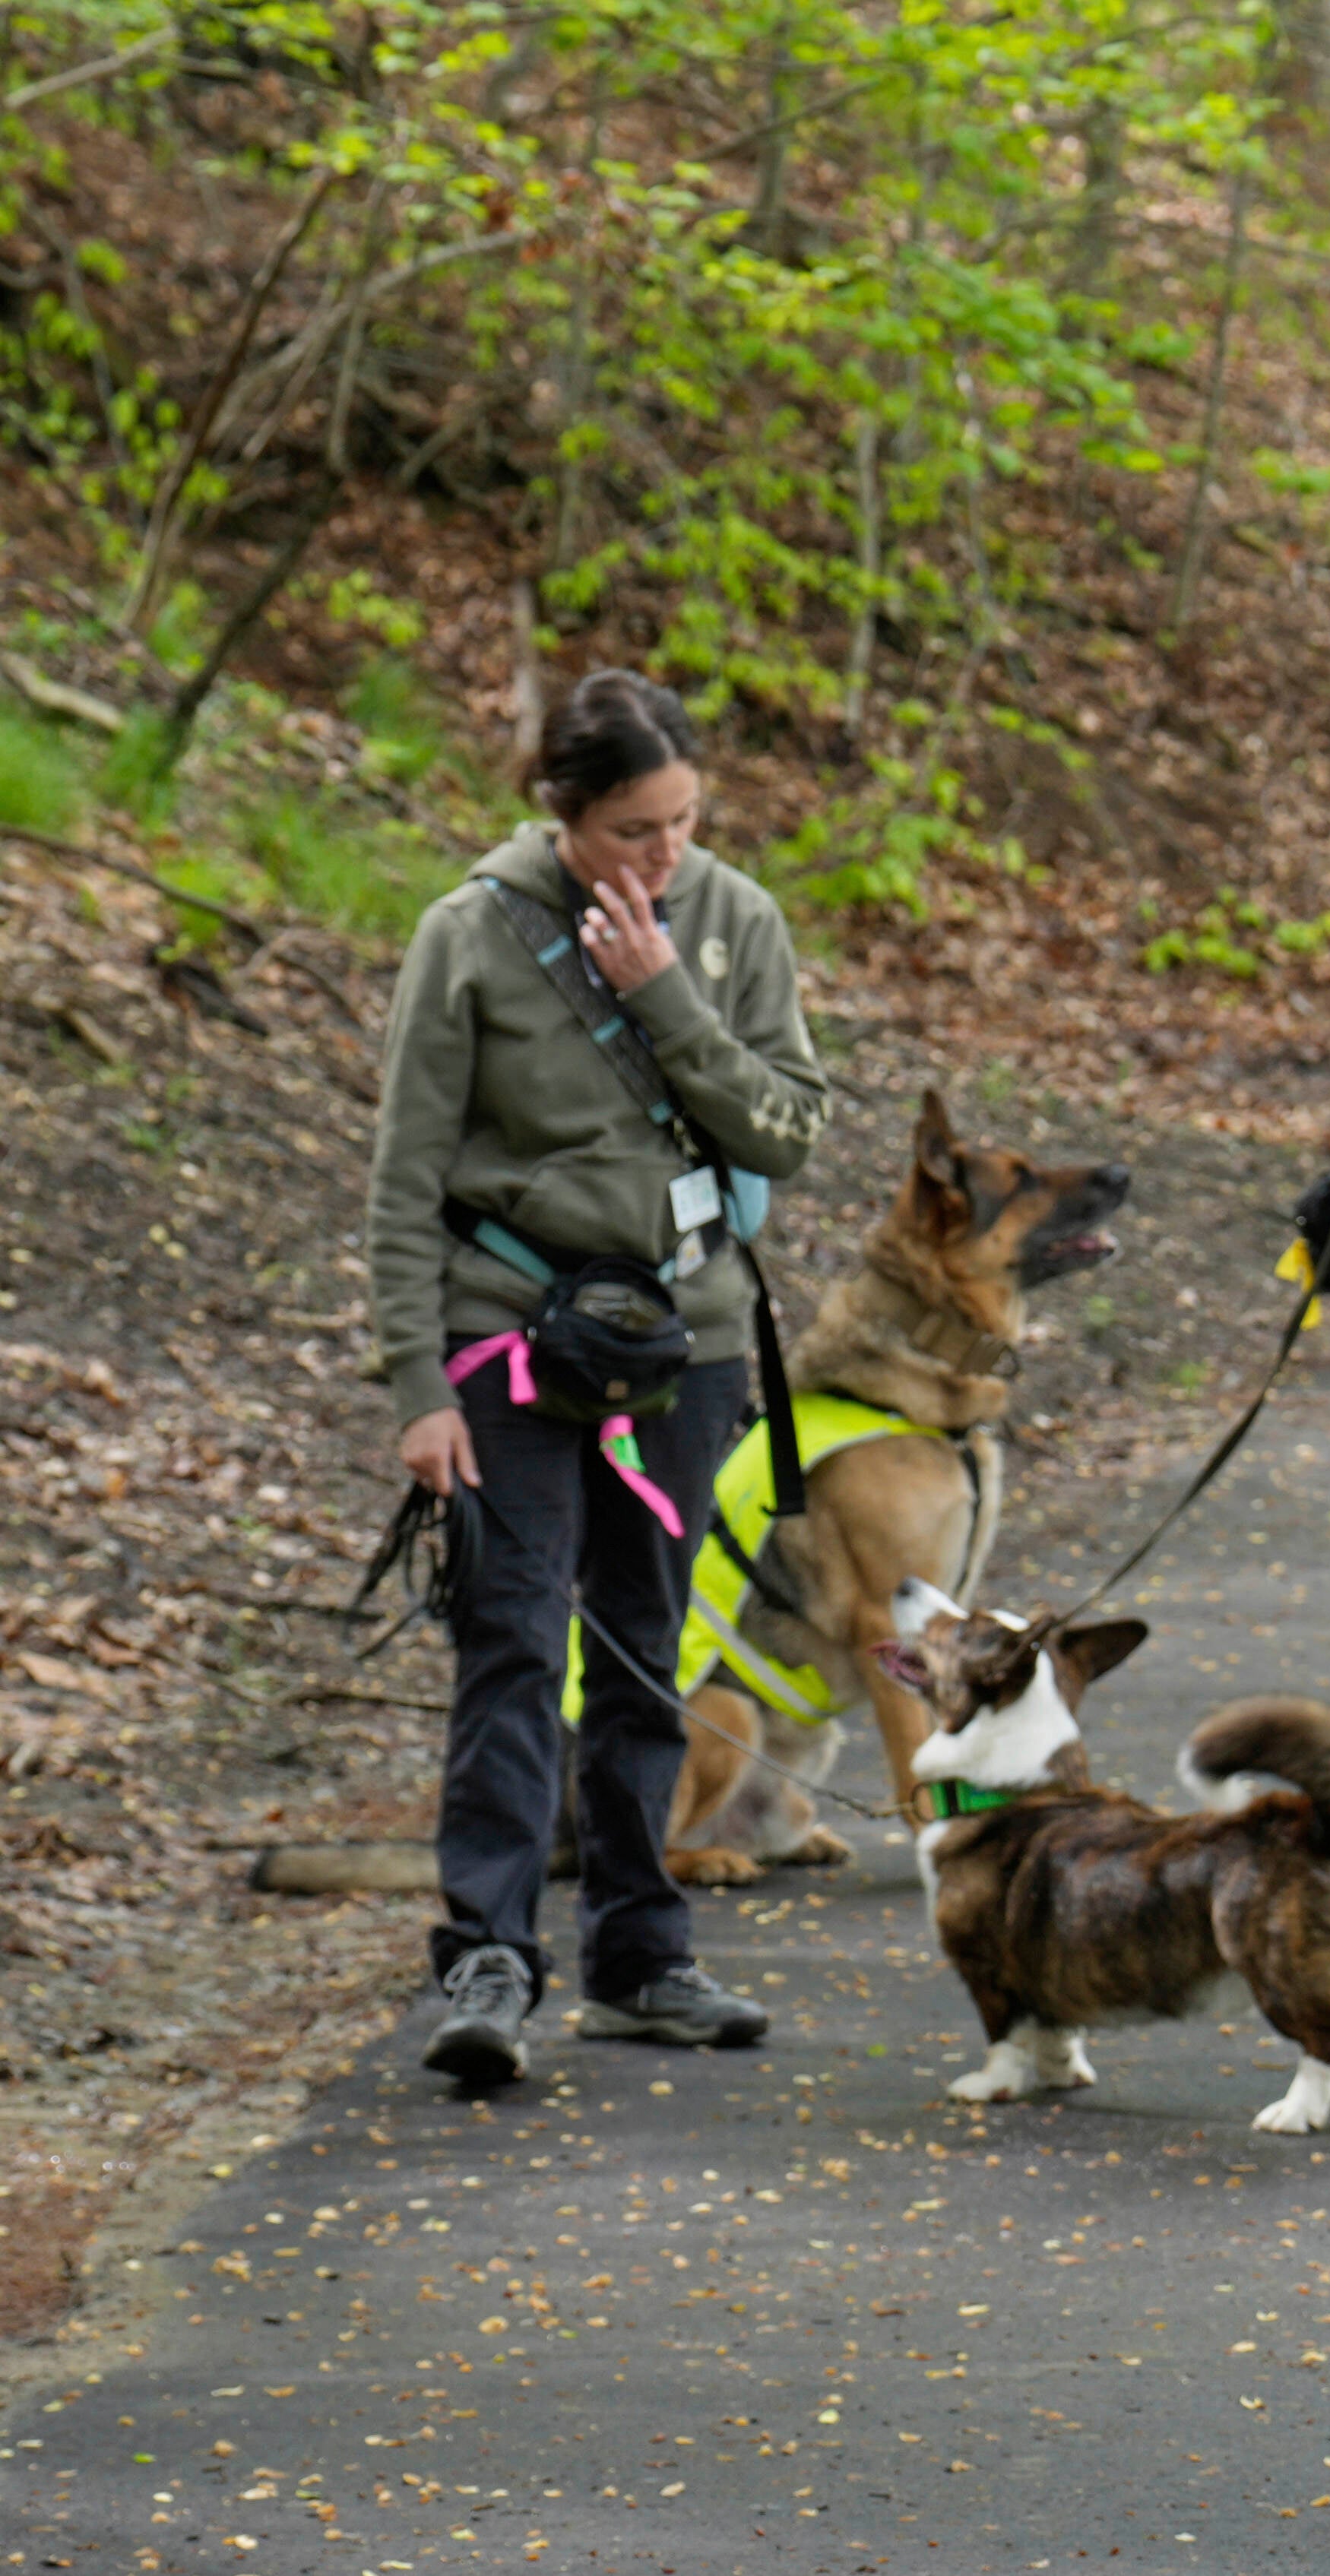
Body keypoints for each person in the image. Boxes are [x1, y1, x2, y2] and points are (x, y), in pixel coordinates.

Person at [369, 669, 834, 2090]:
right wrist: (414, 1385)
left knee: (644, 1641)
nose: (667, 854)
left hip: (680, 1342)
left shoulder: (736, 921)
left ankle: (642, 1953)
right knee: (511, 1639)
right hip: (509, 1334)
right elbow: (404, 1176)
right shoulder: (468, 936)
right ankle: (492, 1957)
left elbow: (788, 1132)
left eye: (683, 821)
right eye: (636, 829)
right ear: (562, 816)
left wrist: (670, 997)